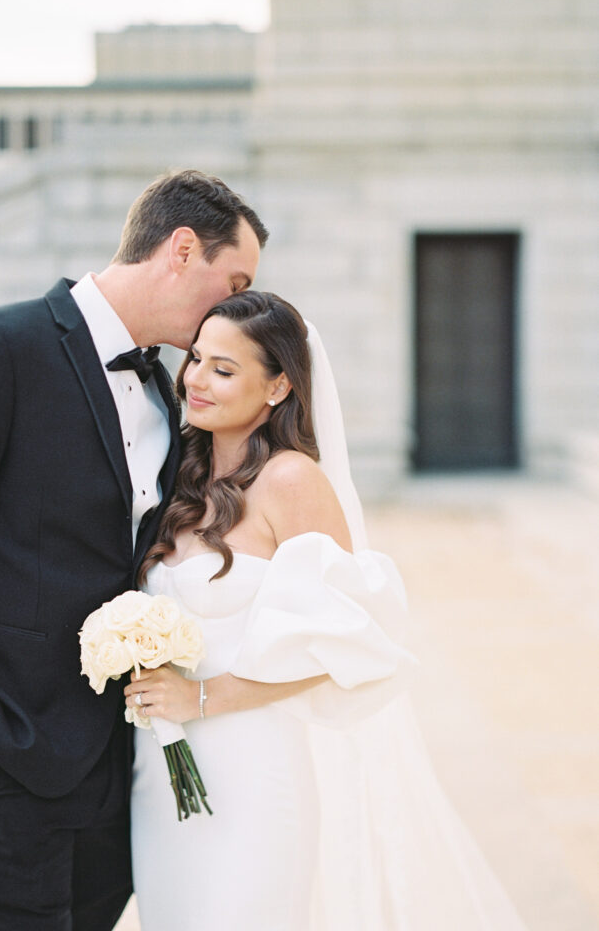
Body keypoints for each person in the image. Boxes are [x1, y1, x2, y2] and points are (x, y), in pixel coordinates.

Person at [0, 169, 267, 931]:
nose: (235, 308)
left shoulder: (167, 388)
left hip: (121, 758)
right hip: (7, 748)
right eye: (234, 281)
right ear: (182, 249)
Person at [124, 290, 529, 930]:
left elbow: (348, 642)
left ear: (279, 386)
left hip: (253, 773)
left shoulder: (291, 482)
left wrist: (199, 701)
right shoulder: (180, 475)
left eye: (223, 370)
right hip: (161, 778)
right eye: (196, 359)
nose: (195, 380)